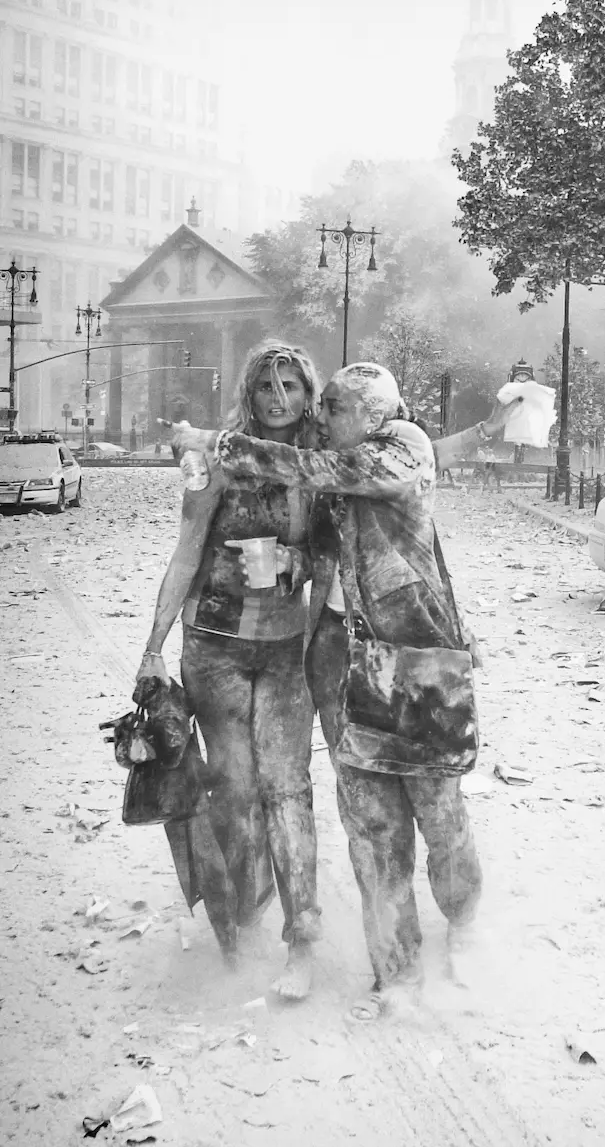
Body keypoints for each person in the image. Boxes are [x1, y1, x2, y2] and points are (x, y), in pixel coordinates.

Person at [171, 364, 522, 1018]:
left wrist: (217, 444)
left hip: (416, 672)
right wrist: (291, 564)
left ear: (369, 415)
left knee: (440, 819)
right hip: (342, 668)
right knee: (372, 831)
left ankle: (464, 919)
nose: (319, 417)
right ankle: (397, 977)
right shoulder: (338, 474)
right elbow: (325, 552)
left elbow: (324, 471)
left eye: (329, 406)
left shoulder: (401, 447)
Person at [136, 340, 320, 1000]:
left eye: (291, 386)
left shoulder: (314, 464)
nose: (278, 398)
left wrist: (297, 565)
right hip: (213, 647)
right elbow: (186, 552)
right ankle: (240, 916)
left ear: (308, 392)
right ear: (249, 390)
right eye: (267, 385)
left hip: (283, 649)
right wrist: (154, 644)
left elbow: (335, 552)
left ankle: (303, 940)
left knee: (288, 789)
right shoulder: (218, 460)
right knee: (235, 789)